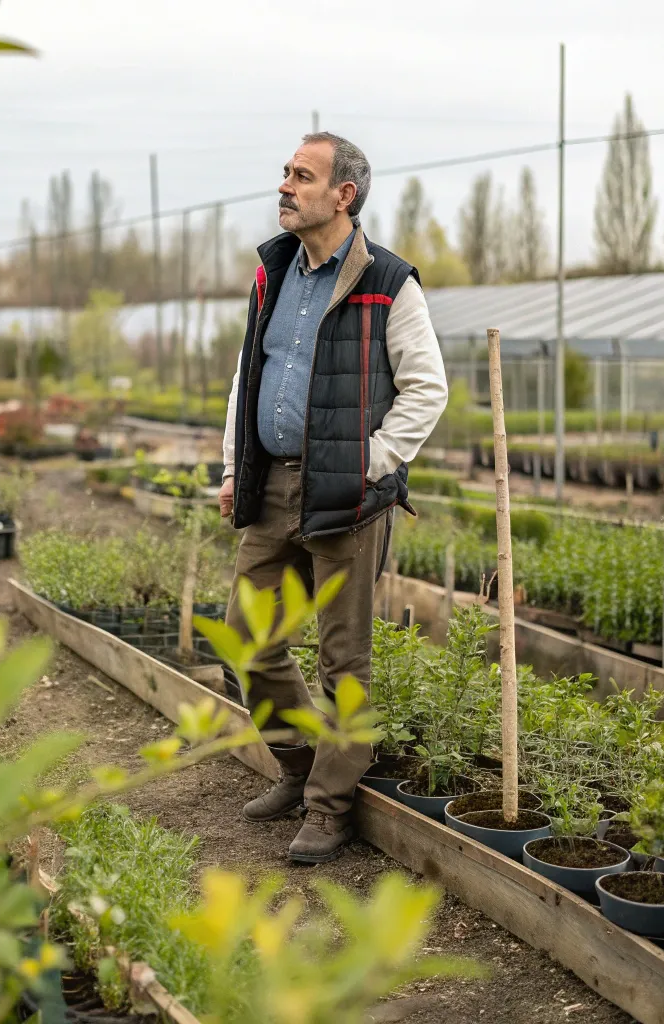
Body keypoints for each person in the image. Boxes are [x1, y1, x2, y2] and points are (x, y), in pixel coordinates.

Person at [218, 132, 449, 863]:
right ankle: (299, 766)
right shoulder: (273, 273)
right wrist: (233, 466)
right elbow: (249, 376)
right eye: (286, 172)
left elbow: (427, 388)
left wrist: (367, 463)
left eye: (302, 175)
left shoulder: (388, 281)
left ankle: (330, 807)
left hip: (347, 499)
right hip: (273, 485)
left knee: (343, 659)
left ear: (343, 195)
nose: (284, 185)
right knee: (247, 637)